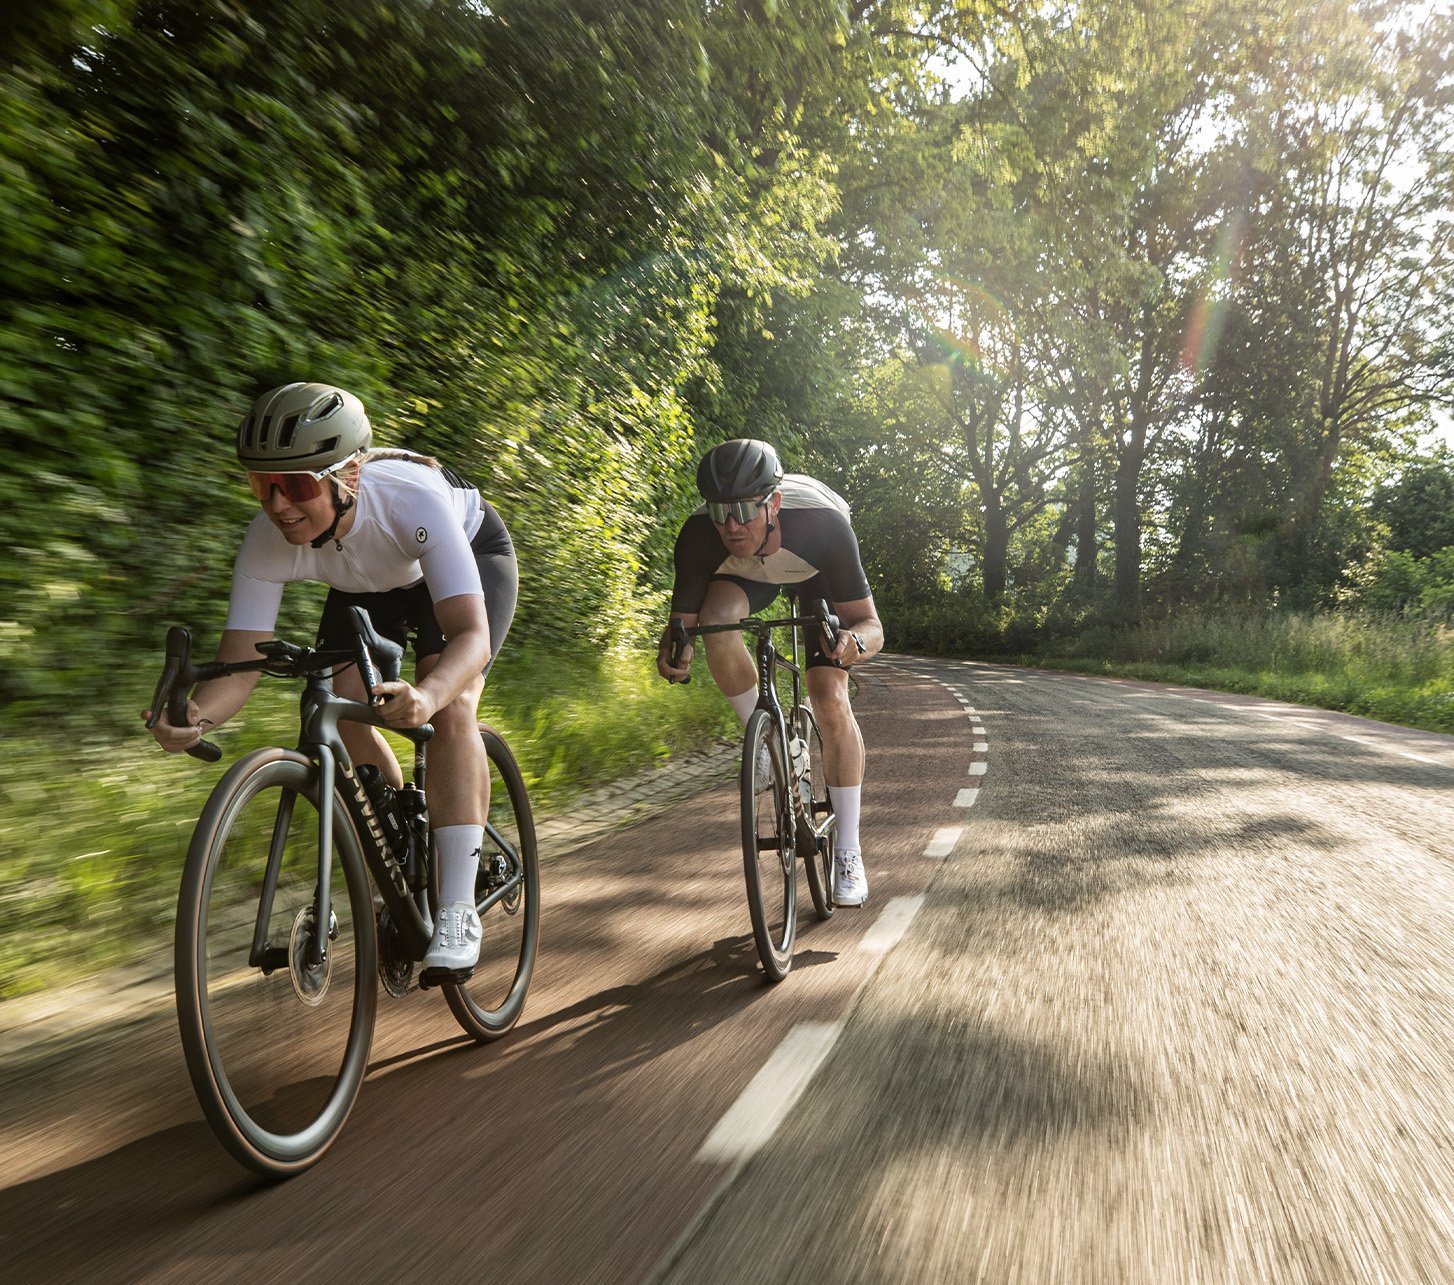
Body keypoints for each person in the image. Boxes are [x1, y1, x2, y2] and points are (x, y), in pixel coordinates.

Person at [145, 381, 517, 975]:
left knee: (451, 707)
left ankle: (455, 909)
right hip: (363, 580)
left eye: (295, 485)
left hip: (464, 554)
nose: (278, 504)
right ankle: (399, 839)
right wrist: (196, 717)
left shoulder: (411, 500)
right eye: (261, 485)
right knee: (343, 714)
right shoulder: (268, 540)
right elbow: (242, 666)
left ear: (348, 478)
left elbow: (469, 636)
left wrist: (426, 695)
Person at [657, 439, 882, 906]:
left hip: (814, 571)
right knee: (719, 622)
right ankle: (767, 744)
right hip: (748, 577)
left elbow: (872, 626)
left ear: (773, 502)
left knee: (829, 698)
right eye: (719, 512)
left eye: (743, 510)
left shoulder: (824, 524)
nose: (731, 525)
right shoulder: (700, 535)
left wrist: (851, 644)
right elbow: (682, 626)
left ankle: (848, 850)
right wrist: (675, 653)